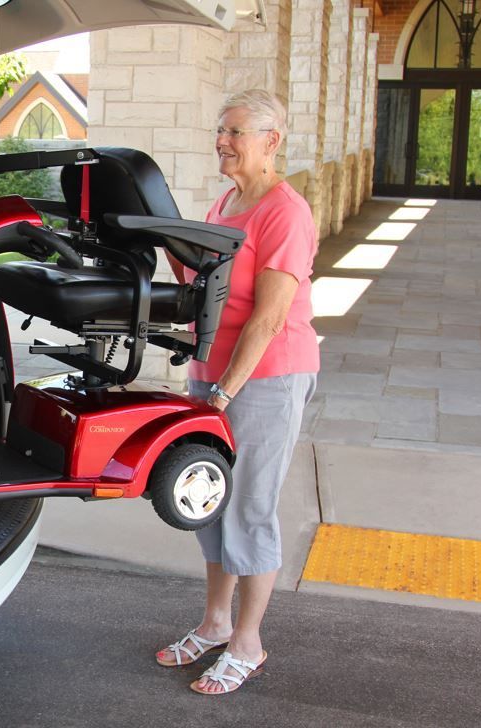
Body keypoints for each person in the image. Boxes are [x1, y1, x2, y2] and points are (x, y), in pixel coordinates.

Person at [156, 89, 320, 696]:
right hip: (214, 372)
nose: (221, 142)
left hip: (265, 377)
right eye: (219, 131)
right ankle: (216, 623)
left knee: (250, 504)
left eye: (234, 132)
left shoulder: (285, 211)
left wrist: (224, 392)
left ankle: (248, 644)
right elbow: (210, 283)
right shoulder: (229, 200)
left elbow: (269, 318)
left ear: (271, 140)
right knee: (210, 497)